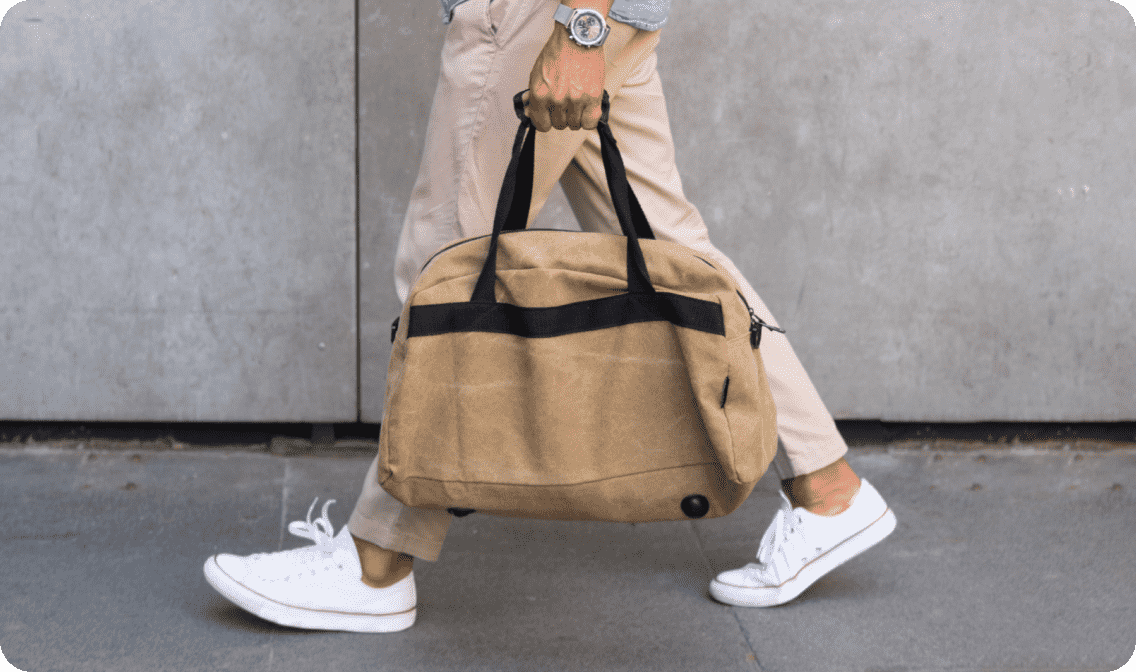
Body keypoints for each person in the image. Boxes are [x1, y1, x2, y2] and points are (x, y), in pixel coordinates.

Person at [202, 0, 896, 632]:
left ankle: (375, 561)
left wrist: (580, 25)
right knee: (676, 269)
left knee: (449, 270)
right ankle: (826, 486)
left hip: (542, 10)